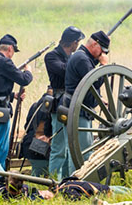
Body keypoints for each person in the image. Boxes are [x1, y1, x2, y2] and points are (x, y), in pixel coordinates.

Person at [62, 31, 110, 174]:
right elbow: (93, 83)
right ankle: (78, 183)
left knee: (75, 150)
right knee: (82, 152)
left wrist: (99, 99)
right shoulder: (82, 59)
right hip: (79, 110)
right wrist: (103, 67)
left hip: (78, 107)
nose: (102, 54)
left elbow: (82, 84)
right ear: (94, 44)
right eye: (101, 50)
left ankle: (69, 182)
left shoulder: (82, 57)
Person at [0, 34, 33, 168]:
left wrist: (12, 95)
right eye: (13, 52)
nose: (12, 56)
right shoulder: (4, 62)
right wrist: (28, 71)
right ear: (10, 49)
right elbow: (24, 79)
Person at [46, 26, 85, 179]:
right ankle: (54, 181)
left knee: (72, 146)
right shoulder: (51, 56)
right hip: (59, 104)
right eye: (77, 42)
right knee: (58, 147)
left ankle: (69, 180)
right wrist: (80, 59)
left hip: (72, 103)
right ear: (72, 43)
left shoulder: (72, 57)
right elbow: (65, 70)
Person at [20, 93, 53, 177]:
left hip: (29, 144)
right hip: (41, 149)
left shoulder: (35, 106)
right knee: (40, 178)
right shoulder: (50, 106)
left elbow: (26, 126)